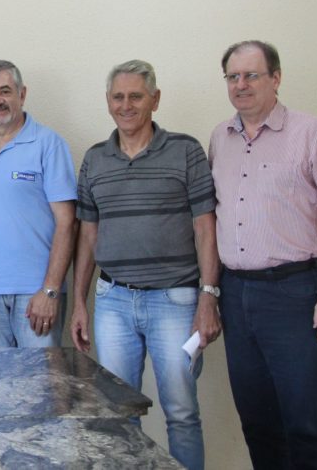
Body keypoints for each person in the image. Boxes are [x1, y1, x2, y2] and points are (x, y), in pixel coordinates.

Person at [209, 40, 317, 469]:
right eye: (233, 76)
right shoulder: (220, 138)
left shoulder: (312, 133)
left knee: (304, 428)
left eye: (251, 75)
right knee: (258, 425)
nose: (241, 84)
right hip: (235, 293)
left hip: (293, 293)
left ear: (276, 78)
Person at [69, 60, 220, 470]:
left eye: (136, 96)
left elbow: (206, 228)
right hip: (113, 301)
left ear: (155, 99)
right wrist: (79, 302)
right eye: (118, 97)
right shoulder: (95, 159)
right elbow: (88, 235)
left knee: (181, 413)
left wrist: (208, 298)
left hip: (175, 300)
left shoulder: (185, 151)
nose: (126, 105)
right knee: (118, 414)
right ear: (107, 101)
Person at [0, 60, 77, 348]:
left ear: (22, 94)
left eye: (5, 91)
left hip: (36, 294)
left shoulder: (49, 144)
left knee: (39, 377)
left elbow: (67, 222)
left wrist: (50, 290)